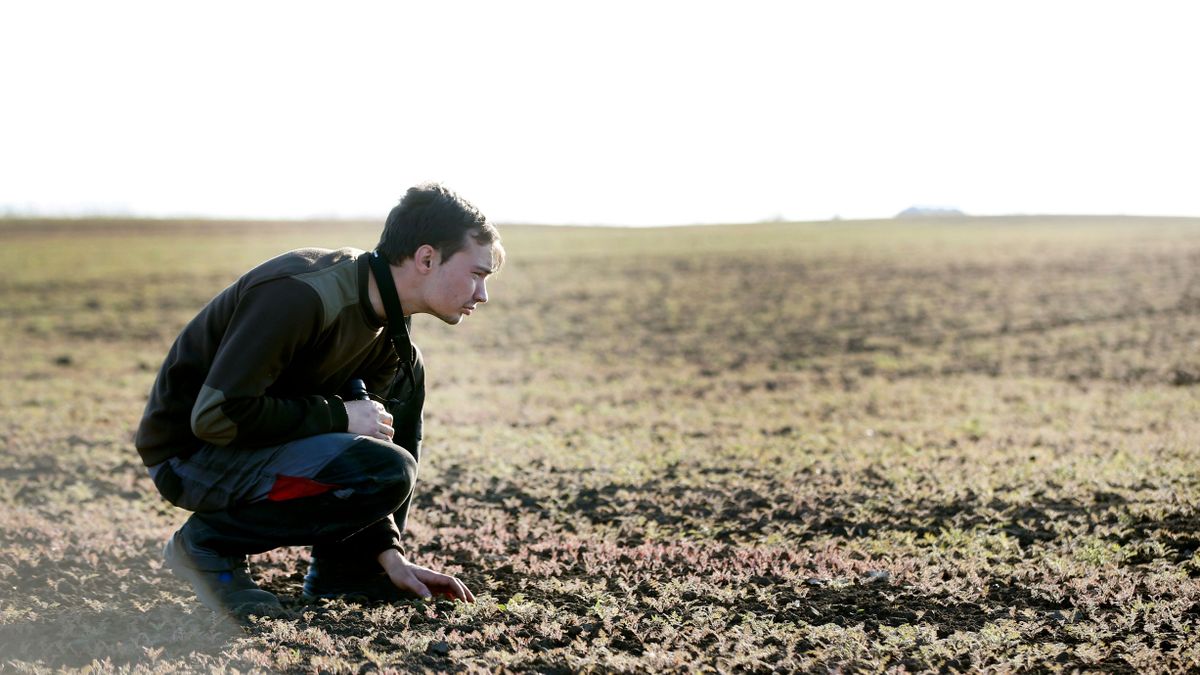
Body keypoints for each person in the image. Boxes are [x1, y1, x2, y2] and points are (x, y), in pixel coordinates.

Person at [134, 183, 502, 616]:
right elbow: (217, 417)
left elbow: (371, 457)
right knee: (388, 462)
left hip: (259, 444)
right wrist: (338, 416)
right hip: (191, 456)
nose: (482, 294)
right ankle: (207, 545)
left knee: (405, 388)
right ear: (426, 259)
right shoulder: (300, 292)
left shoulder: (392, 332)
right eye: (477, 274)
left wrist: (387, 552)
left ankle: (349, 570)